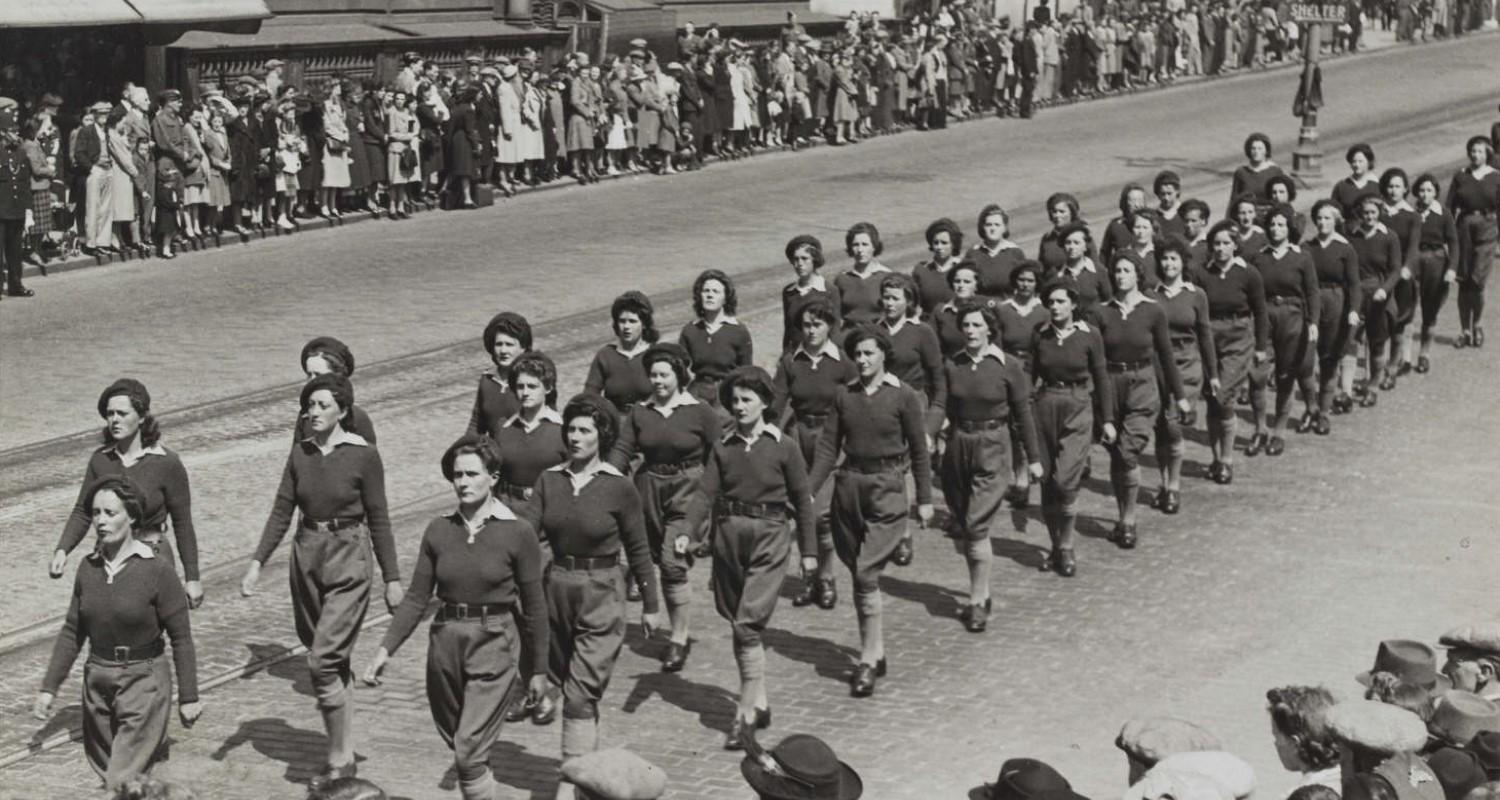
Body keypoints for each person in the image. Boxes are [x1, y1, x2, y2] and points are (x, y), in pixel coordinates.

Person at [361, 435, 549, 800]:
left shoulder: (518, 532)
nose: (462, 482)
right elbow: (417, 597)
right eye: (456, 475)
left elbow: (535, 605)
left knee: (468, 747)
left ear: (493, 477)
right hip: (445, 644)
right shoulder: (438, 530)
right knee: (463, 746)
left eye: (472, 474)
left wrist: (538, 669)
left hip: (495, 642)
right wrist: (385, 651)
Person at [241, 374, 405, 789]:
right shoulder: (301, 453)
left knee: (321, 661)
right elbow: (282, 510)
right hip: (307, 553)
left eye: (322, 406)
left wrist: (392, 578)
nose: (313, 413)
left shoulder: (364, 456)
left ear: (343, 411)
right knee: (328, 655)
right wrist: (258, 562)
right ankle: (346, 754)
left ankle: (336, 759)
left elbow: (380, 517)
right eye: (309, 406)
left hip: (349, 553)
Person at [517, 394, 664, 800]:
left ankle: (567, 792)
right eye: (571, 430)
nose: (576, 437)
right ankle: (591, 781)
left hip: (602, 594)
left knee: (580, 697)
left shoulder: (619, 487)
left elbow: (638, 550)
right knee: (575, 692)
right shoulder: (550, 480)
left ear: (603, 435)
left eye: (585, 430)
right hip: (556, 590)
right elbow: (527, 530)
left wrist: (651, 605)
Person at [36, 476, 202, 791]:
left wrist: (189, 696)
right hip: (97, 682)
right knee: (119, 778)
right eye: (96, 513)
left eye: (110, 513)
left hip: (145, 681)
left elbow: (181, 638)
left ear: (133, 516)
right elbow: (73, 630)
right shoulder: (88, 568)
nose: (100, 521)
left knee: (120, 779)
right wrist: (49, 688)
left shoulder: (157, 569)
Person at [680, 366, 816, 749]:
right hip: (729, 538)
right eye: (734, 400)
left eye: (747, 400)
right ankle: (759, 697)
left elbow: (803, 503)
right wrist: (686, 532)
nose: (739, 407)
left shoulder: (783, 446)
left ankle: (744, 715)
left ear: (765, 403)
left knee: (746, 625)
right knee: (738, 621)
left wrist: (808, 552)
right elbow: (705, 494)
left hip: (771, 537)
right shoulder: (724, 447)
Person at [806, 326, 933, 697]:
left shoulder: (903, 396)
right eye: (857, 355)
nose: (862, 361)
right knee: (859, 572)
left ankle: (865, 660)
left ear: (883, 355)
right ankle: (875, 651)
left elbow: (919, 451)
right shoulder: (844, 396)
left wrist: (924, 498)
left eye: (869, 354)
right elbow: (829, 447)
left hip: (888, 488)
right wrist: (809, 492)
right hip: (850, 488)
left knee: (864, 573)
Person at [606, 343, 720, 672]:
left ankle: (678, 638)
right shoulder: (641, 412)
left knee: (671, 564)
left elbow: (719, 456)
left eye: (664, 375)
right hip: (649, 489)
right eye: (653, 375)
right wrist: (605, 478)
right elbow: (623, 449)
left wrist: (714, 498)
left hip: (689, 488)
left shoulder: (700, 411)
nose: (657, 381)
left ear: (679, 376)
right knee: (647, 557)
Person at [50, 379, 203, 607]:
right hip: (108, 554)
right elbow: (83, 511)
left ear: (141, 417)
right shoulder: (100, 460)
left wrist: (192, 578)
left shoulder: (167, 463)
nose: (115, 420)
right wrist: (62, 550)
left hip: (153, 555)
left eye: (122, 413)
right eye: (110, 414)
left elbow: (183, 524)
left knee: (146, 631)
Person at [941, 300, 1041, 632]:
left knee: (976, 525)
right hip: (958, 445)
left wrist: (1035, 458)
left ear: (989, 329)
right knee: (964, 522)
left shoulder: (1008, 365)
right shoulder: (951, 365)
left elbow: (1023, 413)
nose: (969, 331)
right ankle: (977, 588)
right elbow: (940, 404)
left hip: (994, 445)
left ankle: (978, 598)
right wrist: (927, 435)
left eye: (976, 325)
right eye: (965, 326)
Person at [1096, 254, 1188, 547]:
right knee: (1115, 453)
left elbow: (1166, 356)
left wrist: (1180, 396)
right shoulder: (1100, 313)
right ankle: (1122, 516)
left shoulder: (1153, 311)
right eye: (1117, 271)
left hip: (1143, 384)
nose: (1121, 275)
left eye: (1126, 270)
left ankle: (1130, 520)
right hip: (1110, 385)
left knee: (1127, 450)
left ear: (1138, 274)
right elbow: (1095, 361)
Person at [772, 299, 855, 612]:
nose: (811, 330)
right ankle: (809, 578)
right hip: (798, 438)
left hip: (830, 440)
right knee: (800, 511)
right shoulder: (791, 362)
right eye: (807, 324)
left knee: (820, 513)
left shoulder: (843, 363)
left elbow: (855, 401)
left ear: (829, 326)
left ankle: (827, 576)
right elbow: (777, 404)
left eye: (818, 324)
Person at [1031, 281, 1115, 577]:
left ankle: (1066, 546)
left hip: (1079, 404)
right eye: (1050, 302)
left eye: (1060, 301)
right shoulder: (1040, 336)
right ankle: (1055, 547)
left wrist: (1107, 419)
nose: (1055, 307)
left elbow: (1102, 377)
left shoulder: (1089, 335)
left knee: (1065, 481)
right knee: (1046, 481)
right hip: (1045, 405)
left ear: (1073, 304)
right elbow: (1030, 379)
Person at [1197, 220, 1269, 485]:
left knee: (1224, 396)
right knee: (1211, 398)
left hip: (1239, 335)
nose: (1220, 248)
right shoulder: (1201, 274)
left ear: (1235, 246)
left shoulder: (1248, 273)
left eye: (1226, 243)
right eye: (1216, 243)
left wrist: (1261, 347)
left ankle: (1227, 460)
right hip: (1209, 335)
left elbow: (1260, 311)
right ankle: (1215, 459)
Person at [1150, 239, 1216, 513]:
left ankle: (1174, 486)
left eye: (1174, 259)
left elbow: (1205, 335)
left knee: (1173, 424)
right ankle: (1164, 482)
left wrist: (1213, 374)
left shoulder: (1196, 294)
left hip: (1188, 364)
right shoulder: (1151, 295)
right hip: (1157, 367)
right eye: (1165, 259)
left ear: (1183, 263)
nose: (1169, 264)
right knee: (1160, 427)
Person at [1247, 204, 1318, 457]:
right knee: (1257, 375)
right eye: (1272, 225)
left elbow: (1311, 293)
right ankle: (1259, 428)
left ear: (1289, 228)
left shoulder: (1302, 256)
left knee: (1287, 375)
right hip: (1264, 318)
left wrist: (1312, 323)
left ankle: (1279, 431)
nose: (1276, 229)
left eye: (1281, 225)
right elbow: (1251, 292)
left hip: (1293, 317)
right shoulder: (1258, 257)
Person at [1304, 200, 1363, 426]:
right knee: (1305, 361)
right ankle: (1311, 407)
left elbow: (1354, 283)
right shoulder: (1307, 247)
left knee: (1329, 361)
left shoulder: (1345, 248)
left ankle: (1324, 412)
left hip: (1336, 304)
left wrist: (1354, 310)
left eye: (1327, 218)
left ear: (1336, 221)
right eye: (1319, 218)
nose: (1322, 222)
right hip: (1310, 304)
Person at [1348, 196, 1408, 399]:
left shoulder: (1389, 237)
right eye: (1365, 213)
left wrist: (1384, 289)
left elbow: (1396, 269)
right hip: (1356, 292)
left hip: (1379, 294)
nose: (1369, 217)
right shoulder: (1353, 236)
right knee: (1351, 338)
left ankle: (1374, 383)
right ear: (1360, 214)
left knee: (1377, 341)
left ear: (1379, 213)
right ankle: (1355, 382)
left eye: (1373, 213)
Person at [493, 352, 568, 513]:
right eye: (520, 386)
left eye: (532, 386)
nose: (525, 392)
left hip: (548, 511)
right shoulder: (504, 429)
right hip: (508, 510)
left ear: (548, 388)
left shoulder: (562, 430)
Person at [1448, 136, 1500, 348]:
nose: (1475, 154)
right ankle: (1465, 330)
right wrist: (1448, 237)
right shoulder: (1460, 176)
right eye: (1472, 150)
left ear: (1487, 153)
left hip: (1487, 228)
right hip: (1464, 228)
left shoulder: (1496, 177)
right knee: (1464, 282)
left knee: (1478, 282)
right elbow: (1449, 207)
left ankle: (1477, 323)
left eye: (1479, 151)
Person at [679, 269, 753, 411]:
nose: (710, 295)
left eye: (715, 291)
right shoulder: (690, 330)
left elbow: (746, 372)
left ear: (726, 298)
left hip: (726, 393)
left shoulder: (739, 331)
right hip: (698, 391)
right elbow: (679, 370)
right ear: (699, 296)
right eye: (706, 291)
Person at [1411, 173, 1460, 372]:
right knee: (1406, 307)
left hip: (1436, 261)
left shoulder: (1444, 214)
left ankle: (1424, 353)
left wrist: (1452, 269)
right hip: (1413, 260)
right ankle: (1403, 356)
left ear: (1436, 193)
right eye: (1421, 190)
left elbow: (1454, 243)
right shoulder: (1411, 213)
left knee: (1429, 310)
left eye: (1429, 190)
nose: (1425, 194)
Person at [586, 291, 659, 414]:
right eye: (622, 321)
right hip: (615, 422)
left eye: (632, 321)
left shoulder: (656, 354)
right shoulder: (605, 356)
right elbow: (590, 395)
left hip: (650, 420)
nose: (626, 326)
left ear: (644, 324)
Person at [297, 336, 377, 444]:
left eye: (319, 375)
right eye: (309, 375)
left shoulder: (357, 419)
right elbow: (296, 457)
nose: (312, 382)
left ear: (336, 376)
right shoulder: (306, 417)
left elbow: (368, 457)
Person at [467, 312, 533, 440]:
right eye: (499, 344)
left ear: (523, 348)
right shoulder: (487, 379)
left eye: (509, 345)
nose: (503, 351)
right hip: (494, 456)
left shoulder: (533, 381)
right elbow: (477, 424)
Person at [781, 234, 842, 353]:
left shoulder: (829, 291)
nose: (799, 264)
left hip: (820, 355)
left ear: (815, 260)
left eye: (804, 258)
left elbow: (834, 332)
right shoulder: (789, 292)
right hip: (795, 354)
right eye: (796, 259)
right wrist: (785, 355)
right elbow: (788, 330)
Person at [834, 221, 894, 327]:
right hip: (849, 336)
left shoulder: (887, 277)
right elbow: (835, 314)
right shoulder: (842, 279)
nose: (860, 250)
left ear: (874, 246)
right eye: (855, 245)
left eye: (865, 244)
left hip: (878, 334)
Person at [1049, 222, 1113, 316]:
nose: (1071, 247)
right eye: (1068, 243)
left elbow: (1108, 300)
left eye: (1076, 243)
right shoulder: (1057, 274)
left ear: (1085, 246)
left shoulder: (1098, 270)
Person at [969, 204, 1028, 300]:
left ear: (1004, 228)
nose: (993, 229)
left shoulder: (1015, 253)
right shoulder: (973, 254)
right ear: (982, 227)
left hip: (1008, 309)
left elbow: (1025, 286)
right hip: (980, 309)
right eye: (988, 225)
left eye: (997, 225)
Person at [911, 217, 964, 316]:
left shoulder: (964, 269)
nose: (939, 247)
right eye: (936, 243)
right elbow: (914, 304)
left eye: (944, 243)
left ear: (953, 244)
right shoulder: (921, 271)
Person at [1228, 132, 1286, 216]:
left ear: (1266, 151)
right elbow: (1234, 200)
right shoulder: (1241, 172)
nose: (1256, 152)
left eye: (1260, 148)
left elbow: (1283, 198)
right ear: (1249, 150)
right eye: (1253, 148)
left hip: (1270, 216)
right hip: (1247, 216)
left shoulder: (1275, 171)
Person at [1331, 144, 1382, 224]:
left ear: (1369, 162)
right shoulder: (1341, 187)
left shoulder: (1378, 186)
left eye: (1360, 161)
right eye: (1354, 161)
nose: (1357, 165)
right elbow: (1333, 211)